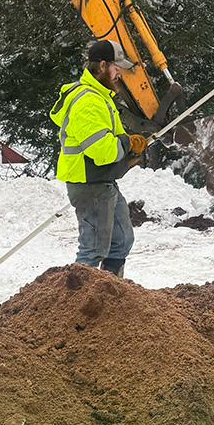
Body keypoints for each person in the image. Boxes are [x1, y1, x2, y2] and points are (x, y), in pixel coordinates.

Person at [49, 39, 148, 278]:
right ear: (103, 66)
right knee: (93, 250)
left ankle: (110, 291)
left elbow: (109, 141)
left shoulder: (100, 97)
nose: (120, 74)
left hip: (102, 181)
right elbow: (101, 151)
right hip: (89, 184)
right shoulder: (87, 101)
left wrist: (126, 155)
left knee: (121, 240)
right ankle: (77, 296)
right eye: (116, 67)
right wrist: (128, 144)